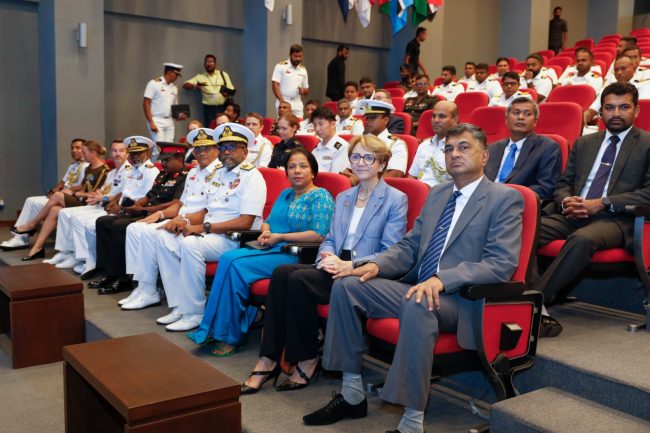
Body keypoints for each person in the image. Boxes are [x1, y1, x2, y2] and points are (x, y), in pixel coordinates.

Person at [303, 123, 523, 432]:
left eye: (464, 147)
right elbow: (410, 246)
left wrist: (443, 279)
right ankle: (352, 394)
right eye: (449, 149)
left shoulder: (504, 198)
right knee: (349, 285)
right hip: (419, 287)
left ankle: (411, 423)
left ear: (484, 156)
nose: (454, 154)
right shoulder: (439, 193)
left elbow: (501, 263)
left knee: (419, 301)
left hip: (462, 299)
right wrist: (376, 265)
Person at [240, 135, 407, 394]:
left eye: (369, 157)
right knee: (281, 273)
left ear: (382, 164)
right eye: (355, 157)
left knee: (298, 279)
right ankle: (268, 357)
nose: (361, 162)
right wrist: (327, 256)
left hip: (364, 272)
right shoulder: (345, 197)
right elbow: (329, 238)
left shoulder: (395, 199)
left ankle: (306, 359)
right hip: (334, 264)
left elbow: (390, 251)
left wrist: (350, 265)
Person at [188, 148, 335, 356]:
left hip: (295, 254)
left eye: (303, 166)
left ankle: (231, 335)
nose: (297, 171)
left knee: (235, 264)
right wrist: (266, 232)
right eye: (292, 167)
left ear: (313, 172)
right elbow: (267, 221)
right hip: (271, 247)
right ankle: (215, 328)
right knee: (228, 258)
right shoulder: (286, 194)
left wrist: (280, 237)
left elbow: (319, 234)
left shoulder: (321, 196)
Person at [533, 83, 650, 338]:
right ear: (601, 111)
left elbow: (648, 193)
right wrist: (567, 201)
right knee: (526, 231)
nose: (616, 113)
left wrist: (602, 202)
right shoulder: (584, 142)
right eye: (609, 107)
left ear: (636, 110)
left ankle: (532, 303)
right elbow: (563, 184)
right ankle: (525, 294)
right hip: (573, 213)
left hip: (616, 219)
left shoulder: (647, 144)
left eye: (623, 107)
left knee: (582, 239)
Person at [153, 123, 267, 332]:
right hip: (212, 233)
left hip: (235, 238)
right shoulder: (219, 173)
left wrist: (203, 228)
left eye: (232, 147)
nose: (226, 152)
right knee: (165, 238)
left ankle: (195, 312)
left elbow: (245, 222)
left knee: (190, 245)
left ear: (245, 151)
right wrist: (188, 222)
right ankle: (179, 305)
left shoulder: (252, 176)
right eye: (223, 147)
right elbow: (207, 208)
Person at [118, 128, 223, 310]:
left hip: (197, 223)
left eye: (206, 148)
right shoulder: (193, 172)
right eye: (198, 149)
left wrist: (183, 220)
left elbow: (208, 210)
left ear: (216, 149)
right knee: (136, 228)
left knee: (157, 235)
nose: (201, 153)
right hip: (183, 218)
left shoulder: (221, 173)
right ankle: (145, 288)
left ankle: (177, 302)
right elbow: (180, 204)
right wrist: (159, 214)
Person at [89, 137, 187, 294]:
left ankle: (123, 278)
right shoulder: (163, 174)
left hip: (162, 216)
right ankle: (109, 273)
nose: (162, 163)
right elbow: (149, 196)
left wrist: (144, 209)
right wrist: (133, 206)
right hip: (147, 211)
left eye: (167, 160)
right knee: (103, 222)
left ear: (179, 160)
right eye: (162, 160)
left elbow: (175, 203)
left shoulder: (184, 177)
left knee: (119, 226)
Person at [46, 140, 130, 273]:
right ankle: (66, 252)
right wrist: (96, 195)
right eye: (114, 151)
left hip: (111, 208)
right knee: (64, 213)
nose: (117, 154)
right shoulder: (112, 172)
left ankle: (83, 258)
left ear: (127, 153)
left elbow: (122, 195)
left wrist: (102, 197)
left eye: (121, 150)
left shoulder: (129, 172)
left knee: (78, 218)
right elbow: (103, 190)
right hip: (100, 204)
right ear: (110, 153)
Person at [17, 141, 109, 261]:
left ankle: (32, 224)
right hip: (81, 200)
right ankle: (37, 248)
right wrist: (70, 190)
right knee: (54, 210)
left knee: (57, 196)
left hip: (90, 204)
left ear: (93, 153)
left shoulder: (104, 170)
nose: (82, 154)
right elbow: (83, 186)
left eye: (84, 152)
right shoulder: (89, 168)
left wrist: (74, 193)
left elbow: (96, 194)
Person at [1, 138, 87, 251]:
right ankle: (20, 238)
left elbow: (84, 186)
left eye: (78, 148)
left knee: (36, 203)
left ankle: (24, 234)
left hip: (71, 198)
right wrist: (53, 191)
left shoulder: (87, 166)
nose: (74, 150)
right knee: (31, 200)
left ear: (85, 149)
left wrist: (64, 191)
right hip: (60, 196)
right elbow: (62, 182)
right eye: (72, 148)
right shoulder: (73, 166)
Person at [484, 97, 562, 202]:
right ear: (506, 120)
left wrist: (504, 196)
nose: (521, 117)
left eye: (527, 114)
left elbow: (545, 189)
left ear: (535, 122)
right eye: (516, 113)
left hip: (517, 204)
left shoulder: (548, 147)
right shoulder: (492, 148)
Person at [408, 101, 458, 187]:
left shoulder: (460, 148)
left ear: (455, 120)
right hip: (419, 192)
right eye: (434, 116)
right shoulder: (423, 146)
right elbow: (412, 177)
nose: (436, 120)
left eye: (442, 116)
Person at [355, 99, 408, 178]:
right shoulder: (360, 141)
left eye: (372, 118)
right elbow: (347, 168)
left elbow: (395, 174)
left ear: (386, 120)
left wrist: (366, 181)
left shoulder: (396, 144)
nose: (368, 121)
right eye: (367, 118)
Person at [143, 63, 186, 159]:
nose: (177, 77)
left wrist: (179, 116)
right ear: (169, 72)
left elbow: (174, 108)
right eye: (176, 74)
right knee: (158, 149)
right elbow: (146, 103)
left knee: (169, 149)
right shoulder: (154, 84)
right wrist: (151, 122)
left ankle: (165, 167)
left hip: (169, 121)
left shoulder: (174, 87)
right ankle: (155, 168)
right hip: (156, 120)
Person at [182, 54, 236, 127]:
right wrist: (196, 86)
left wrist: (225, 93)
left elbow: (232, 89)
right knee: (210, 128)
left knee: (224, 128)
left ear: (215, 64)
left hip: (223, 107)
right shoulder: (200, 77)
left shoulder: (223, 74)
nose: (209, 64)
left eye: (211, 62)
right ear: (204, 64)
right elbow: (185, 85)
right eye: (207, 62)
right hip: (209, 109)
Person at [272, 44, 309, 117]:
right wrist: (282, 101)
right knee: (284, 122)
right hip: (284, 100)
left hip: (297, 102)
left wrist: (303, 91)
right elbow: (275, 84)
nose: (298, 58)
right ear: (290, 55)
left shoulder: (303, 70)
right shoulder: (281, 66)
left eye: (300, 56)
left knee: (299, 123)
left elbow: (306, 89)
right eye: (295, 56)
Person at [310, 106, 350, 173]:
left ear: (332, 124)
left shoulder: (342, 147)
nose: (317, 129)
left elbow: (336, 176)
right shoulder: (316, 148)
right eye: (314, 125)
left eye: (321, 124)